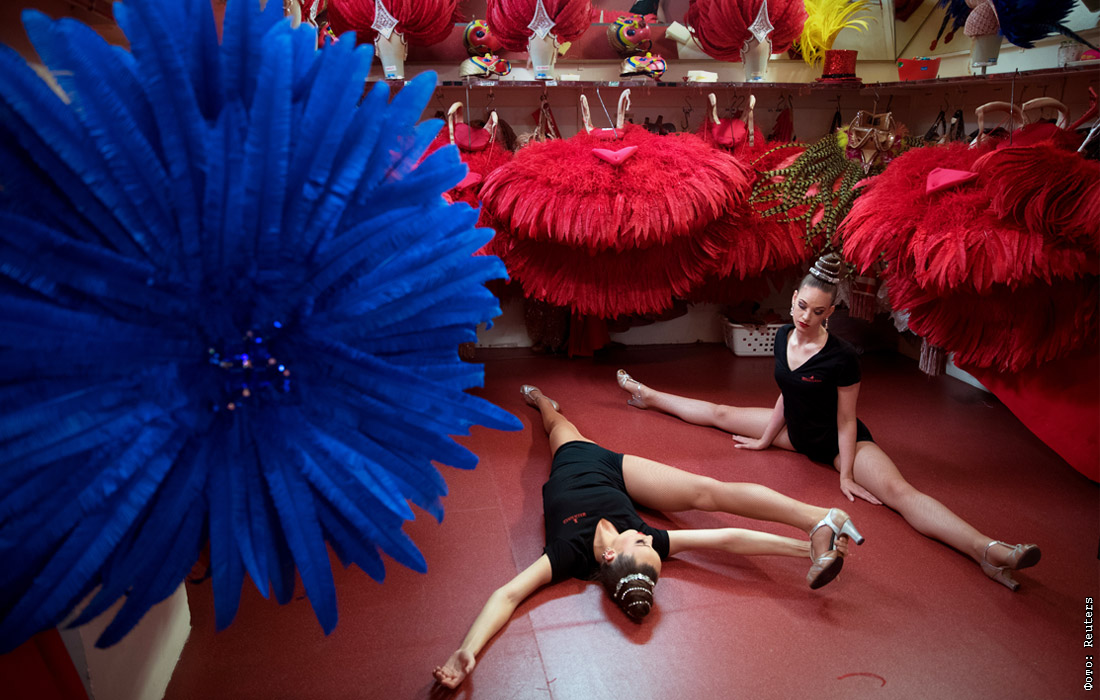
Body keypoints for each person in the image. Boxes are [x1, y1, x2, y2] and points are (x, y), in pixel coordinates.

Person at [615, 252, 1041, 592]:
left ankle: (988, 550)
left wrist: (847, 473)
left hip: (838, 442)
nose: (805, 316)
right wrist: (766, 438)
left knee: (900, 493)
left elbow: (847, 419)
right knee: (720, 414)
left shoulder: (842, 357)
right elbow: (787, 392)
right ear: (793, 299)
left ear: (830, 312)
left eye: (817, 311)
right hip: (794, 431)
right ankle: (647, 395)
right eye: (801, 306)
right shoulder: (782, 336)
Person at [432, 384, 864, 690]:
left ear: (609, 557)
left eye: (640, 542)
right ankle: (814, 534)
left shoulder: (567, 553)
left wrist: (467, 650)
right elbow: (726, 539)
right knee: (561, 423)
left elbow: (507, 595)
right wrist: (803, 554)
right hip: (614, 472)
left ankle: (817, 520)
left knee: (561, 428)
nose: (645, 535)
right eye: (647, 542)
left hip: (580, 460)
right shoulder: (644, 543)